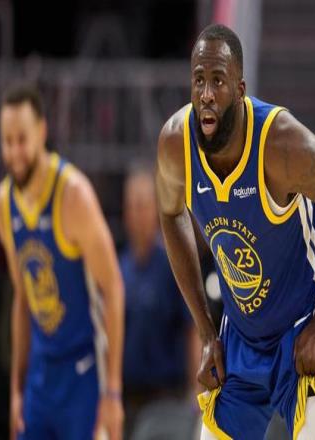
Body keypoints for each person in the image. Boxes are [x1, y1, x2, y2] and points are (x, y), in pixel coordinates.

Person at [156, 24, 315, 440]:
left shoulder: (281, 145)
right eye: (199, 80)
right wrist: (206, 332)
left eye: (218, 81)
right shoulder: (176, 143)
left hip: (302, 327)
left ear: (240, 90)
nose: (206, 94)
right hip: (241, 339)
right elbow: (170, 214)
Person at [0, 84, 125, 440]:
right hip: (40, 373)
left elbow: (113, 288)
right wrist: (16, 390)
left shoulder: (73, 195)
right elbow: (22, 299)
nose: (14, 151)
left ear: (42, 132)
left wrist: (113, 392)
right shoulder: (3, 204)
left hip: (84, 373)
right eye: (7, 141)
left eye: (22, 139)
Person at [119, 163, 200, 436]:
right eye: (132, 206)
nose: (137, 213)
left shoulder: (172, 264)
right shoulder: (121, 267)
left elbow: (192, 328)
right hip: (128, 397)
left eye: (142, 205)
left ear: (155, 209)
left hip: (166, 397)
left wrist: (197, 390)